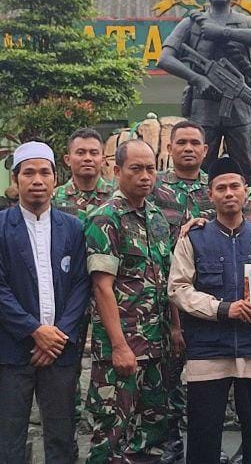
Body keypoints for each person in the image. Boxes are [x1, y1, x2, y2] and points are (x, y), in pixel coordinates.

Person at [0, 142, 92, 464]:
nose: (37, 179)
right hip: (16, 352)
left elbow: (80, 285)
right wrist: (34, 331)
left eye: (45, 172)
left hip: (60, 350)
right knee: (8, 437)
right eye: (28, 172)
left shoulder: (73, 227)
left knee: (61, 436)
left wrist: (57, 335)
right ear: (16, 180)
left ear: (56, 179)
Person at [169, 156, 251, 464]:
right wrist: (223, 309)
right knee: (203, 437)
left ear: (246, 190)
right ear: (211, 195)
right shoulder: (193, 238)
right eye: (221, 187)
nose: (229, 193)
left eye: (235, 186)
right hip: (208, 352)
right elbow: (179, 290)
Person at [84, 139, 175, 464]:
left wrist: (175, 331)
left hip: (157, 347)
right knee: (111, 435)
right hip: (122, 350)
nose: (145, 176)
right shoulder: (106, 218)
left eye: (150, 169)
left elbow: (166, 281)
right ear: (117, 170)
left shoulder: (157, 218)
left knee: (151, 435)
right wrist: (120, 346)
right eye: (136, 169)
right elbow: (102, 288)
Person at [158, 0, 251, 179]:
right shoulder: (191, 24)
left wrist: (222, 32)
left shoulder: (247, 22)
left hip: (239, 105)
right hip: (204, 106)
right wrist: (197, 79)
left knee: (244, 167)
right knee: (199, 168)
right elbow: (164, 58)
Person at [151, 120, 213, 460]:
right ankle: (171, 452)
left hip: (210, 304)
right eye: (182, 143)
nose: (188, 148)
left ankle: (205, 452)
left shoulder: (217, 187)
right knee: (167, 386)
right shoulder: (154, 188)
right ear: (170, 149)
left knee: (208, 387)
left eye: (195, 143)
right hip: (162, 304)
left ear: (205, 150)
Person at [53, 127, 116, 222]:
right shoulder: (54, 198)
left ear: (103, 160)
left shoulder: (116, 197)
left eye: (94, 153)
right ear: (67, 160)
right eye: (80, 153)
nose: (87, 158)